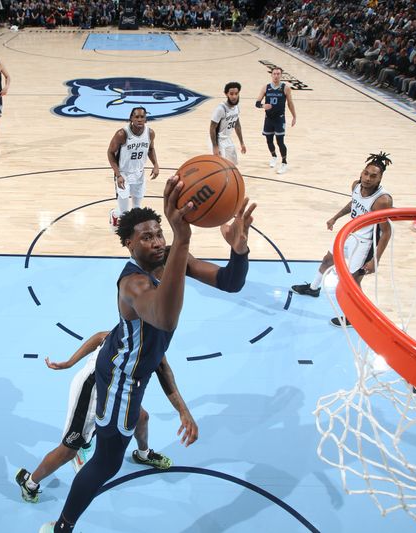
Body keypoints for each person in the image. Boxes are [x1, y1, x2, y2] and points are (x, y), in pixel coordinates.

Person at [40, 178, 256, 533]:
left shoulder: (172, 257)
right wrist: (183, 238)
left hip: (142, 365)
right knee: (106, 463)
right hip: (119, 378)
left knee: (136, 424)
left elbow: (231, 282)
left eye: (159, 233)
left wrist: (239, 250)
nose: (157, 241)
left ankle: (141, 452)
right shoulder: (133, 284)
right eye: (146, 237)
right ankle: (62, 526)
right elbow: (164, 318)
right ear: (128, 244)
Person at [15, 317, 189, 503]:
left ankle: (143, 455)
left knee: (142, 418)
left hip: (117, 390)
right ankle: (29, 482)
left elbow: (163, 367)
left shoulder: (154, 332)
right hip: (92, 389)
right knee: (68, 450)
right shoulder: (135, 333)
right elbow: (101, 338)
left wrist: (183, 411)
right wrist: (69, 363)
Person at [291, 153, 394, 327]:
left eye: (373, 176)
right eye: (366, 173)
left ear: (380, 178)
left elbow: (386, 232)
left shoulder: (383, 200)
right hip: (348, 234)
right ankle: (313, 288)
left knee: (352, 282)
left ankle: (354, 316)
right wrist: (335, 217)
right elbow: (353, 203)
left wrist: (375, 260)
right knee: (327, 260)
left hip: (364, 242)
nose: (368, 178)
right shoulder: (356, 185)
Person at [107, 106, 160, 231]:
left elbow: (151, 149)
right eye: (136, 117)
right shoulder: (122, 134)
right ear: (131, 118)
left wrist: (156, 165)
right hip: (123, 174)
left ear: (146, 119)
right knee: (123, 213)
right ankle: (114, 214)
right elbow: (110, 153)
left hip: (139, 173)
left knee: (137, 207)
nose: (139, 119)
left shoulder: (150, 133)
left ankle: (134, 234)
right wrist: (118, 174)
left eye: (142, 117)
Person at [256, 66, 297, 175]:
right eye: (274, 74)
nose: (276, 76)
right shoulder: (266, 87)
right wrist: (263, 106)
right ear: (271, 75)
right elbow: (257, 103)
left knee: (280, 141)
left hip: (280, 119)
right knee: (269, 140)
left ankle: (284, 163)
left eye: (278, 74)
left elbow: (290, 103)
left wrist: (294, 116)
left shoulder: (285, 88)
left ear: (281, 75)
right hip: (268, 119)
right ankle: (274, 156)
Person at [210, 81, 246, 164]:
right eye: (231, 94)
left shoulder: (236, 107)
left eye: (236, 93)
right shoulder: (221, 108)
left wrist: (242, 143)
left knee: (233, 164)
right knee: (221, 164)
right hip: (218, 139)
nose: (234, 96)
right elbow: (212, 128)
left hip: (227, 138)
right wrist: (215, 146)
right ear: (226, 94)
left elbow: (237, 126)